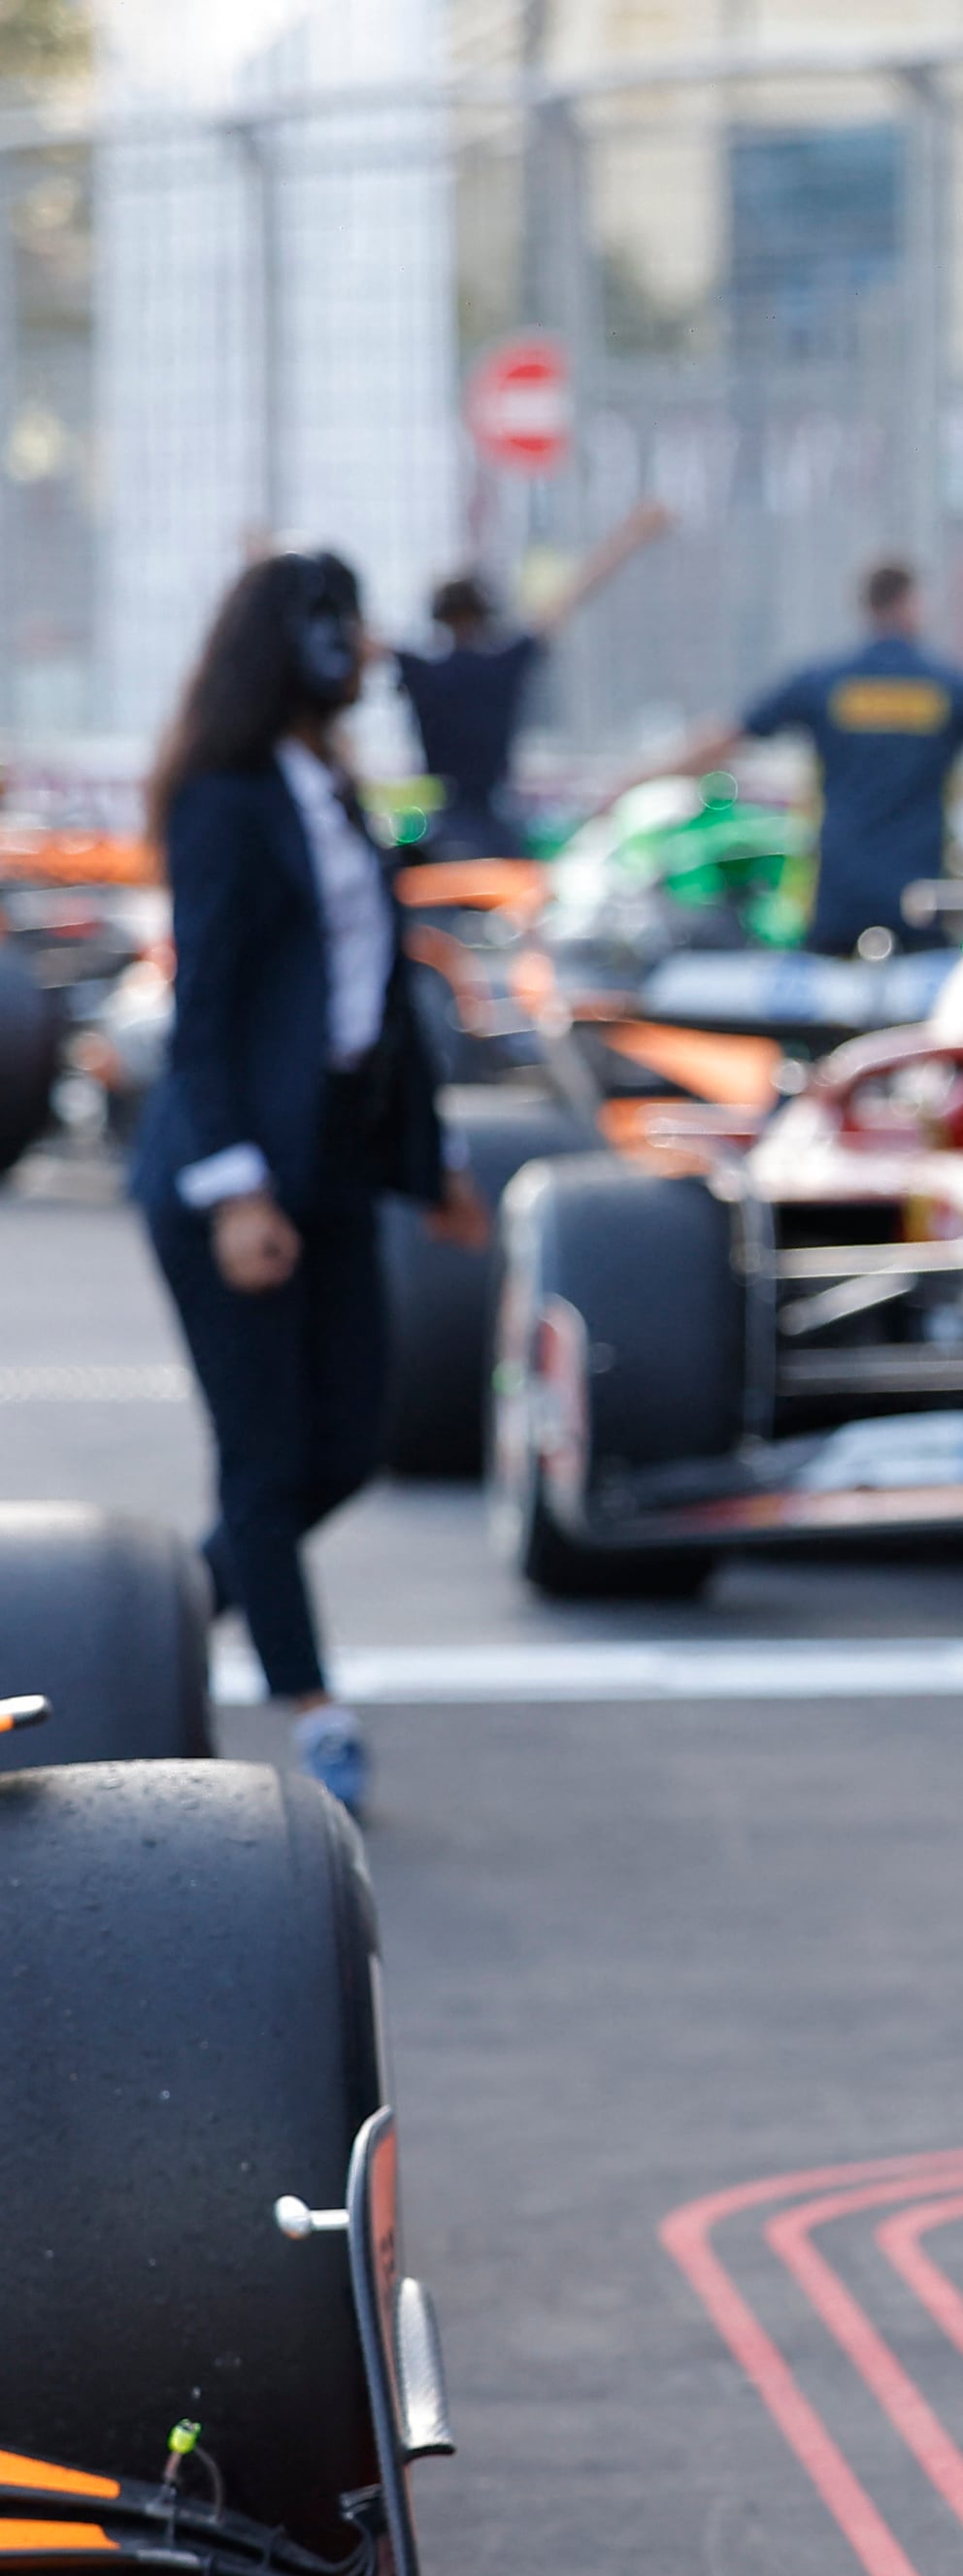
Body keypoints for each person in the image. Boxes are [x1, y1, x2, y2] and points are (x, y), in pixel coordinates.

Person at [128, 550, 484, 1817]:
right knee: (269, 1458)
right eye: (346, 626)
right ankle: (315, 1708)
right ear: (299, 643)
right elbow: (207, 1010)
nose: (371, 648)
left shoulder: (330, 786)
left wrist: (431, 1160)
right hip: (232, 1172)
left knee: (348, 1440)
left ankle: (133, 1619)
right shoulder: (222, 798)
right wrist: (234, 1193)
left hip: (333, 1157)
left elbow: (384, 1000)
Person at [623, 561, 963, 957]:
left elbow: (723, 738)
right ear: (912, 603)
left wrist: (634, 780)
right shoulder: (951, 686)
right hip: (922, 897)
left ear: (865, 606)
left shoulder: (823, 683)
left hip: (836, 893)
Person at [392, 497, 670, 859]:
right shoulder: (501, 664)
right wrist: (632, 535)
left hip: (446, 819)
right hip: (494, 822)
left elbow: (360, 641)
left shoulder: (423, 671)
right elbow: (568, 598)